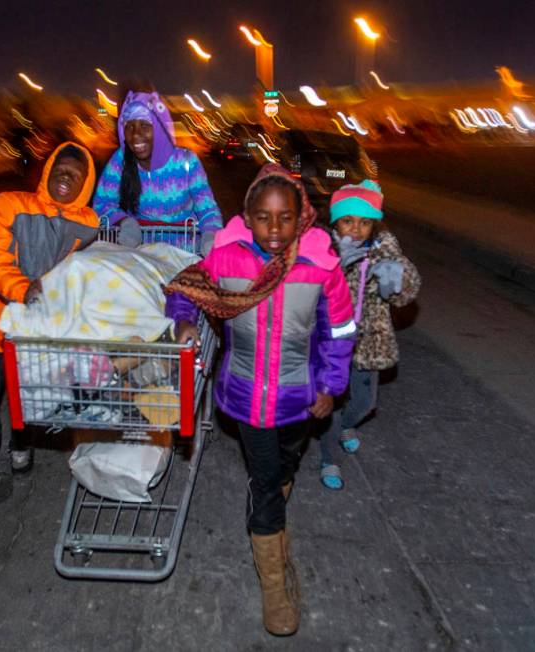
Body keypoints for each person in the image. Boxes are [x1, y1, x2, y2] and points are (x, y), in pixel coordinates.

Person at [164, 164, 355, 636]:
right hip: (247, 398)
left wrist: (331, 385)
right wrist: (182, 320)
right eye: (264, 217)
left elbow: (339, 332)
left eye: (285, 217)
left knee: (285, 470)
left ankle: (267, 504)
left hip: (299, 398)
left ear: (302, 218)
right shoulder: (227, 259)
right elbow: (185, 287)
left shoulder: (320, 268)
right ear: (247, 217)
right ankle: (275, 586)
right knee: (268, 484)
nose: (275, 229)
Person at [0, 142, 99, 514]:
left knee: (27, 393)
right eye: (60, 169)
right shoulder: (11, 204)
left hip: (39, 330)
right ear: (48, 169)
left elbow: (83, 270)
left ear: (86, 183)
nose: (65, 178)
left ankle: (21, 446)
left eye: (75, 174)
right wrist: (23, 289)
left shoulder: (87, 223)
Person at [317, 180, 421, 490]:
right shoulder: (324, 248)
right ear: (335, 221)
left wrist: (398, 280)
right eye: (348, 220)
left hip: (368, 343)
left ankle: (348, 426)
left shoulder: (384, 251)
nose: (356, 229)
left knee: (364, 403)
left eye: (364, 222)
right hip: (333, 343)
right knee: (331, 406)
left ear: (374, 225)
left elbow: (407, 290)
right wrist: (331, 269)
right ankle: (328, 458)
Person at [93, 90, 222, 255]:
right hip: (142, 252)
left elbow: (207, 208)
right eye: (129, 127)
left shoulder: (187, 162)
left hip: (185, 251)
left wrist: (211, 236)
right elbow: (102, 204)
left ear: (160, 129)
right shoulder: (121, 161)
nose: (136, 135)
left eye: (145, 126)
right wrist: (124, 221)